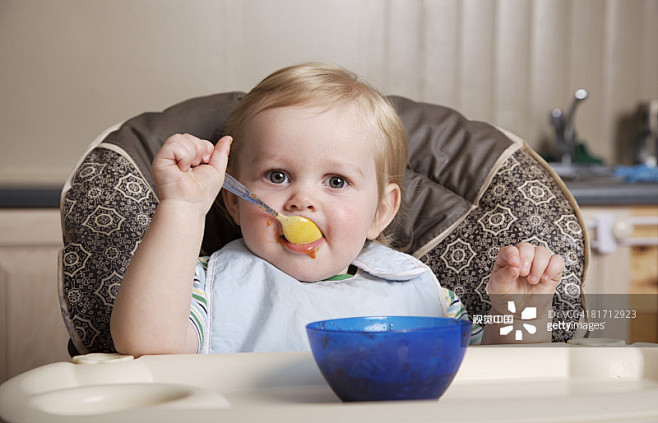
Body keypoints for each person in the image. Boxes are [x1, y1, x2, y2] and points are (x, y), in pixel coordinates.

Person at [110, 63, 565, 356]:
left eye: (336, 182)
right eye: (277, 175)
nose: (302, 200)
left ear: (380, 212)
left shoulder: (421, 294)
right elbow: (147, 345)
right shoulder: (210, 285)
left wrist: (519, 311)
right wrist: (184, 208)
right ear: (232, 199)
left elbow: (500, 381)